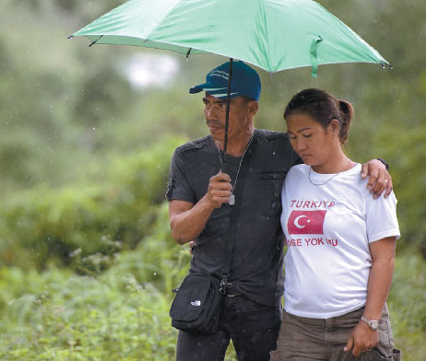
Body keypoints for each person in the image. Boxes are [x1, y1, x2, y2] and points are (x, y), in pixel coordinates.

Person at [166, 62, 393, 361]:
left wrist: (377, 164)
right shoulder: (188, 157)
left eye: (222, 105)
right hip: (202, 297)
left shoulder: (283, 150)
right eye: (207, 104)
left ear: (252, 108)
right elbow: (179, 232)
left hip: (260, 303)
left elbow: (333, 166)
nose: (210, 114)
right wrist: (207, 202)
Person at [269, 88, 400, 360]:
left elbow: (384, 259)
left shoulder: (369, 183)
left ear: (333, 128)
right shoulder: (292, 177)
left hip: (354, 319)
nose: (300, 146)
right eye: (293, 138)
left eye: (307, 135)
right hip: (299, 327)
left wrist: (370, 321)